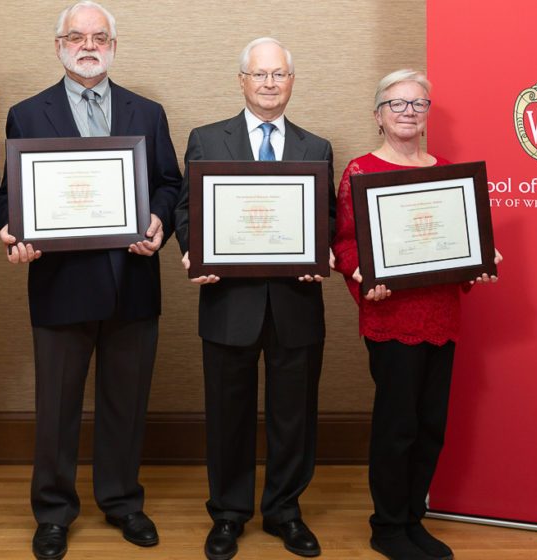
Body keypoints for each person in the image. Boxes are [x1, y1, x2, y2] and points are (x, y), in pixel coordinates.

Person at [0, 2, 182, 559]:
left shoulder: (147, 112)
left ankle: (122, 501)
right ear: (58, 46)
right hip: (60, 282)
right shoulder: (27, 114)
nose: (88, 44)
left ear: (114, 47)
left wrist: (160, 220)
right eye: (76, 36)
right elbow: (10, 195)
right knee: (56, 407)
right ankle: (53, 512)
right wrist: (13, 229)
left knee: (126, 402)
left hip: (133, 277)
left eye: (99, 36)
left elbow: (170, 184)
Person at [174, 38, 336, 560]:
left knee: (294, 417)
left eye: (280, 74)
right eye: (260, 74)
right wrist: (191, 250)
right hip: (229, 303)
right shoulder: (206, 139)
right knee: (228, 415)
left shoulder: (317, 147)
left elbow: (327, 217)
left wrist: (322, 251)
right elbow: (185, 211)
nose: (270, 83)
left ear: (292, 82)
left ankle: (285, 511)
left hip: (296, 303)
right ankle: (227, 513)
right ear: (241, 80)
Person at [331, 69, 502, 560]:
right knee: (398, 426)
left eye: (418, 104)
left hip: (441, 315)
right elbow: (344, 244)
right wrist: (365, 274)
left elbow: (460, 245)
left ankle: (412, 519)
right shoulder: (361, 171)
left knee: (431, 425)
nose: (408, 112)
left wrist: (482, 260)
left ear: (428, 114)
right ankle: (386, 526)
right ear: (378, 115)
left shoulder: (447, 171)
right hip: (391, 318)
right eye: (397, 104)